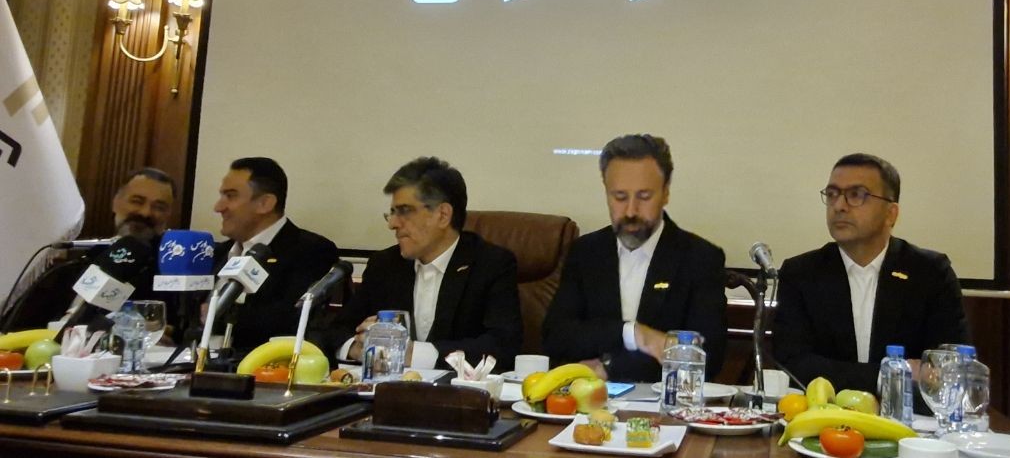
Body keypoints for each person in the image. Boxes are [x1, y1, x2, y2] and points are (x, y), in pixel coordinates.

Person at [772, 153, 969, 393]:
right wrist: (892, 374)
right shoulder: (801, 273)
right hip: (823, 412)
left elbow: (946, 368)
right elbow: (793, 364)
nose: (839, 206)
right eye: (832, 194)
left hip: (909, 414)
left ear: (891, 214)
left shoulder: (930, 273)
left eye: (856, 195)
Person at [542, 134, 726, 382]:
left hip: (663, 400)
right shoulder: (586, 253)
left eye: (644, 197)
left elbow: (706, 356)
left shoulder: (700, 259)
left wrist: (611, 368)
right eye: (619, 197)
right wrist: (632, 333)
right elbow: (557, 338)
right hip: (589, 399)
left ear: (666, 193)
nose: (630, 211)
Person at [333, 157, 521, 371]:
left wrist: (412, 354)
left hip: (456, 390)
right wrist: (356, 348)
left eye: (404, 211)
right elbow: (336, 331)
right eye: (392, 213)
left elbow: (503, 346)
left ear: (442, 215)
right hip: (387, 389)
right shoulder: (384, 265)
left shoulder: (491, 264)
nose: (392, 224)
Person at [1, 168, 177, 332]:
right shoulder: (77, 262)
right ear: (115, 203)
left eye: (159, 207)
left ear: (168, 215)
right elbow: (17, 328)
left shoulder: (173, 272)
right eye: (137, 201)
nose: (146, 213)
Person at [210, 157, 342, 353]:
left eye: (230, 196)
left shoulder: (311, 251)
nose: (218, 207)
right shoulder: (218, 252)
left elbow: (290, 322)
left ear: (265, 203)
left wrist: (214, 315)